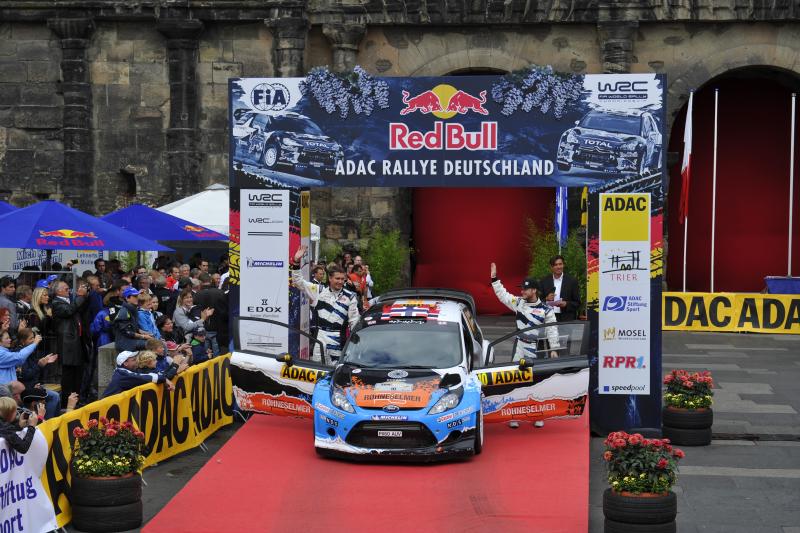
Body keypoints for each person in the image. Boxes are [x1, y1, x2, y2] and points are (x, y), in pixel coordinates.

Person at [490, 262, 559, 429]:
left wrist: (554, 349)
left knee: (537, 382)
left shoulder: (546, 310)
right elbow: (503, 295)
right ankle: (514, 415)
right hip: (519, 346)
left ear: (534, 290)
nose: (522, 291)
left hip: (536, 349)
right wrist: (494, 279)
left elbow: (552, 330)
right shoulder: (518, 302)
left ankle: (538, 415)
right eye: (521, 289)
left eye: (525, 289)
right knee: (515, 382)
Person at [290, 244, 359, 361]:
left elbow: (354, 321)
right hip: (320, 338)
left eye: (342, 279)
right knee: (318, 369)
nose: (340, 282)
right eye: (337, 278)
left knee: (335, 369)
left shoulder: (350, 296)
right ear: (330, 278)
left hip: (339, 339)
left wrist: (355, 344)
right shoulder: (318, 290)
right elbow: (298, 282)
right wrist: (296, 261)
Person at [51, 281, 89, 407]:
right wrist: (80, 296)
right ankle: (66, 403)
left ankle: (76, 400)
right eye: (66, 289)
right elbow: (68, 311)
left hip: (77, 341)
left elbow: (79, 308)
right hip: (68, 344)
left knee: (78, 373)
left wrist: (84, 296)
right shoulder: (56, 303)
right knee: (68, 375)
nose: (69, 291)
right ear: (58, 291)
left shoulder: (70, 300)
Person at [15, 328, 60, 419]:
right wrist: (39, 365)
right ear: (23, 342)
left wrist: (43, 362)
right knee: (54, 397)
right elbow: (25, 375)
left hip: (33, 385)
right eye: (31, 338)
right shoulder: (20, 353)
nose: (34, 340)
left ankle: (50, 421)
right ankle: (45, 422)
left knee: (56, 395)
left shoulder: (30, 352)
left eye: (34, 338)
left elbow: (34, 369)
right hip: (25, 389)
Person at [101, 351, 181, 398]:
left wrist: (166, 378)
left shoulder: (121, 372)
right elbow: (145, 377)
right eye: (133, 360)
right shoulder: (123, 373)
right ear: (125, 363)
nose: (136, 362)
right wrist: (166, 378)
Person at [193, 272, 228, 355]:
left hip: (202, 329)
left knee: (205, 354)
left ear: (200, 282)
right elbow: (225, 311)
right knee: (217, 355)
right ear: (211, 281)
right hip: (218, 329)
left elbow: (195, 312)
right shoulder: (220, 292)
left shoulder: (197, 294)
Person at [539, 255, 581, 322]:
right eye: (555, 265)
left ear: (563, 265)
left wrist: (566, 304)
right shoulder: (544, 281)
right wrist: (546, 299)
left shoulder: (572, 281)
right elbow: (537, 301)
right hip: (548, 318)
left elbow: (577, 303)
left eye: (560, 264)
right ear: (551, 267)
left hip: (567, 319)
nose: (558, 267)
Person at [113, 287, 151, 352]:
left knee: (155, 341)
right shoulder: (124, 312)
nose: (137, 298)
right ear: (127, 298)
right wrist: (143, 336)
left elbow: (134, 328)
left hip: (132, 340)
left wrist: (146, 333)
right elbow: (127, 332)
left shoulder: (133, 309)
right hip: (125, 343)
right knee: (153, 344)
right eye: (135, 296)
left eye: (137, 296)